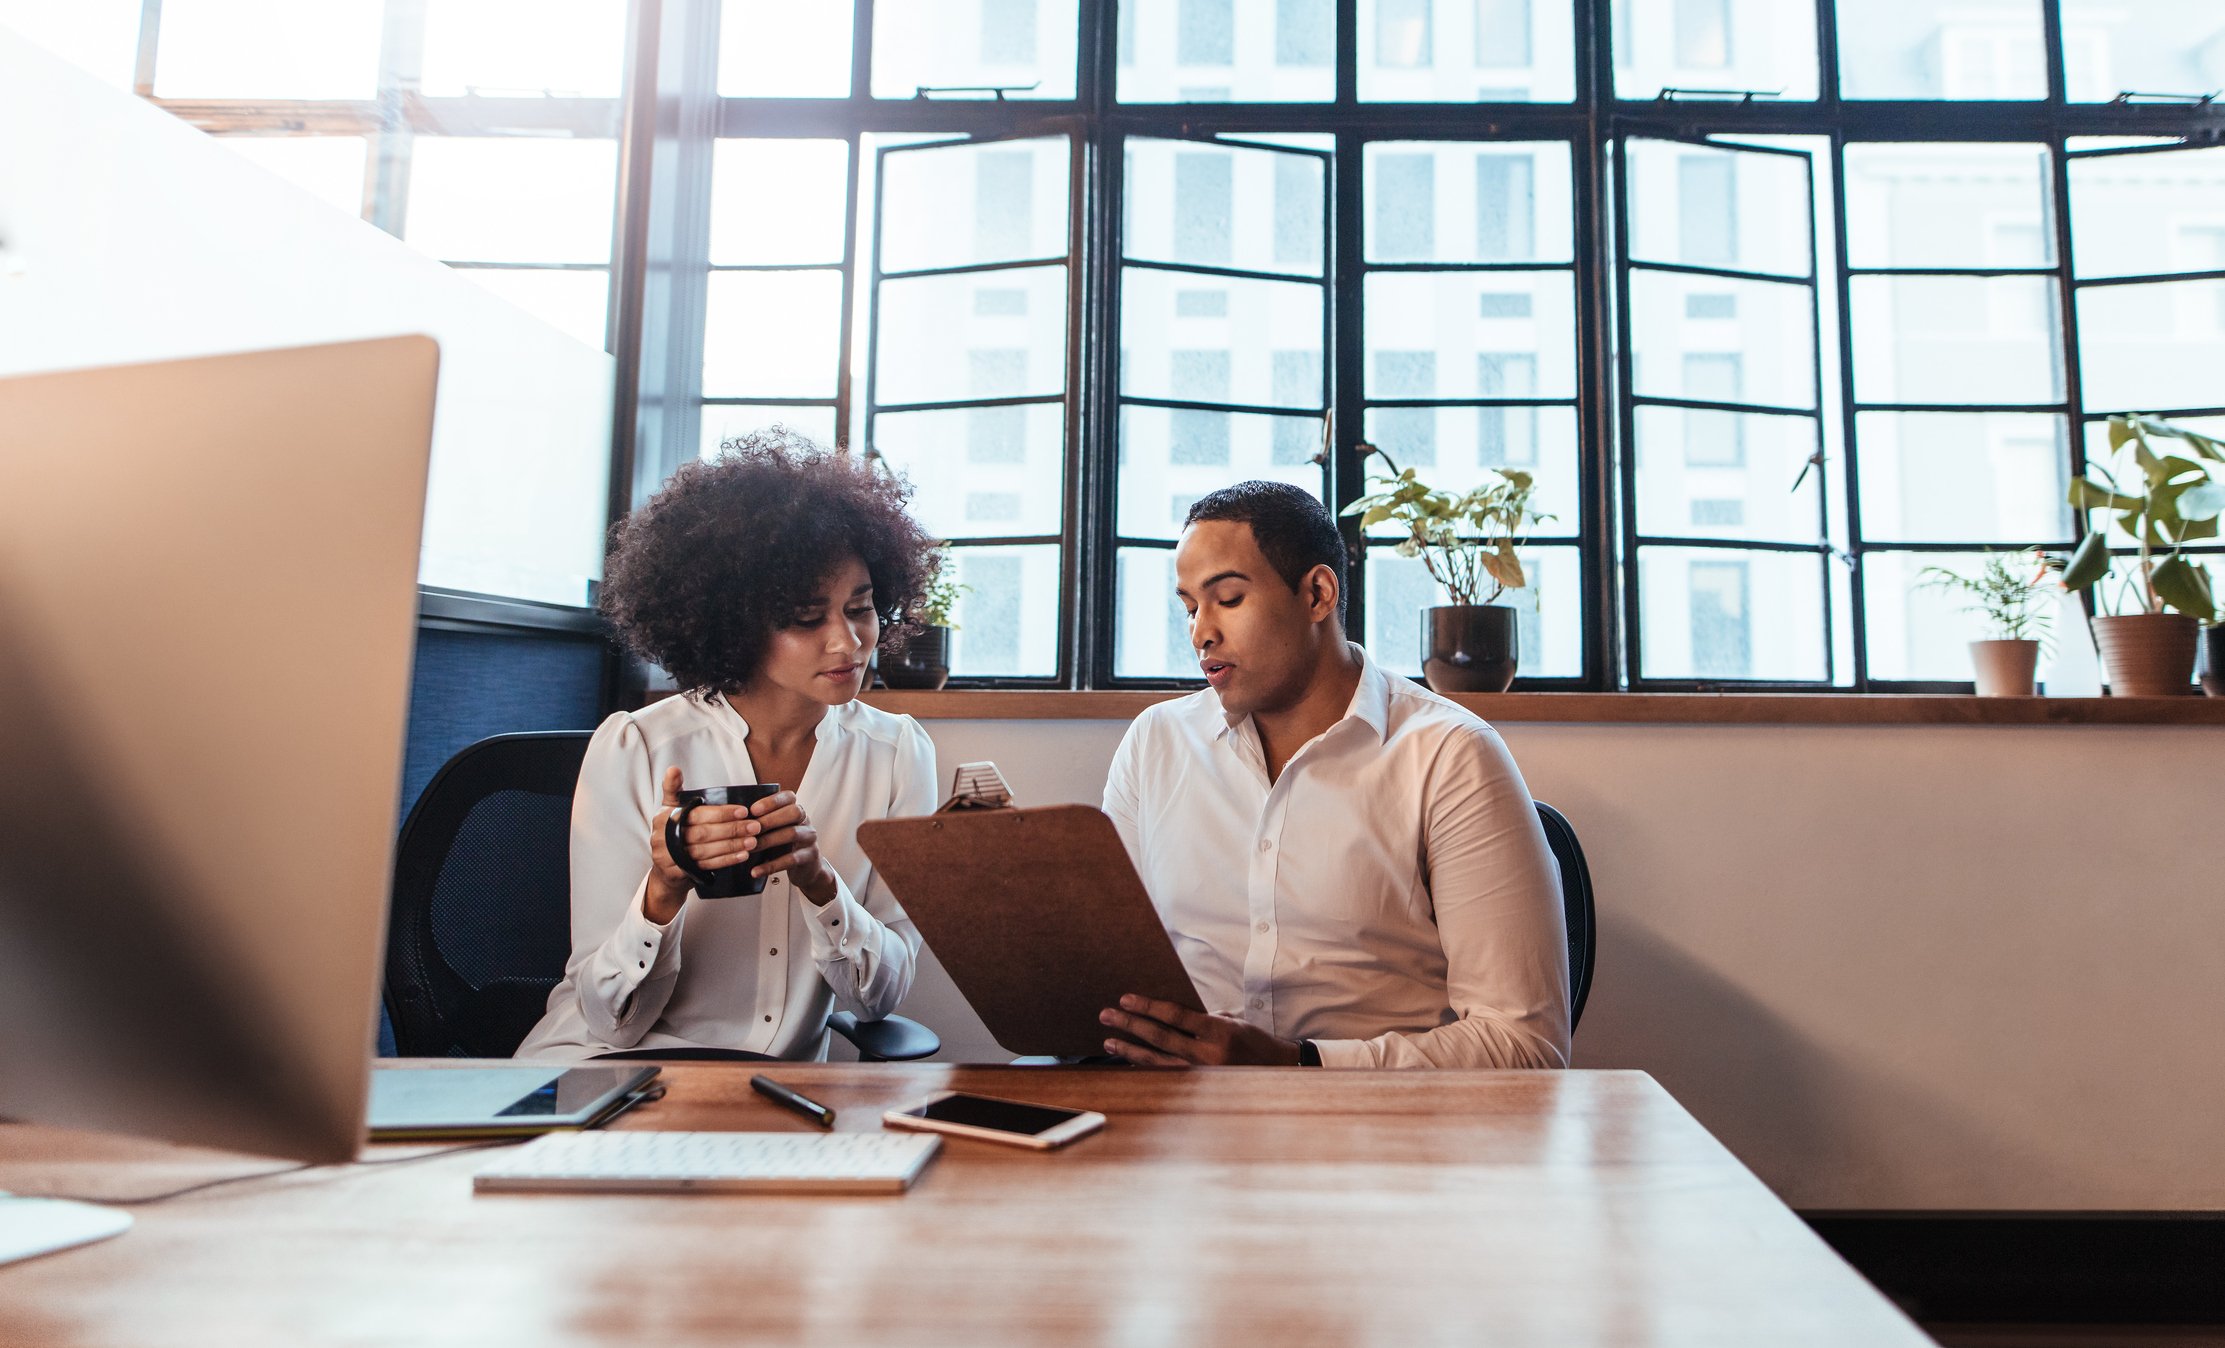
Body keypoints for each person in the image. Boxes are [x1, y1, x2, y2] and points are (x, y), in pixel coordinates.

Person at [1095, 481, 1570, 1069]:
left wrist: (1299, 1063)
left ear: (1318, 594)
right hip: (1175, 1122)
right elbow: (1105, 968)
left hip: (1381, 1133)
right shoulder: (1155, 743)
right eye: (1191, 607)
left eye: (1229, 599)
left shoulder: (1452, 755)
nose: (1201, 633)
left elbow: (1525, 1046)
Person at [516, 430, 941, 1060]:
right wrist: (663, 890)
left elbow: (880, 999)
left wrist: (822, 885)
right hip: (609, 1076)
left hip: (771, 1099)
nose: (849, 642)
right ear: (733, 620)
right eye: (807, 620)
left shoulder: (899, 755)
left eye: (862, 608)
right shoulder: (636, 748)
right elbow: (608, 1020)